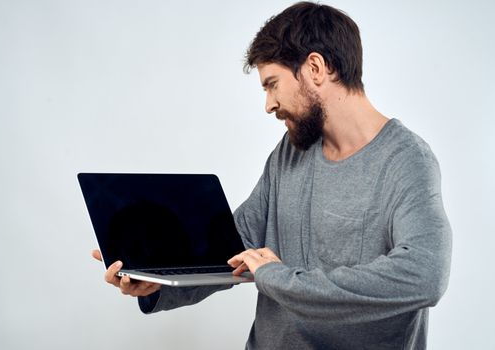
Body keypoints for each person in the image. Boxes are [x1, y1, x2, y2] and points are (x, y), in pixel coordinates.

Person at [92, 2, 452, 349]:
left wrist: (281, 279)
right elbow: (236, 248)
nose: (268, 105)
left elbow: (424, 274)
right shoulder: (291, 151)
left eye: (272, 84)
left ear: (315, 68)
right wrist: (157, 282)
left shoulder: (407, 161)